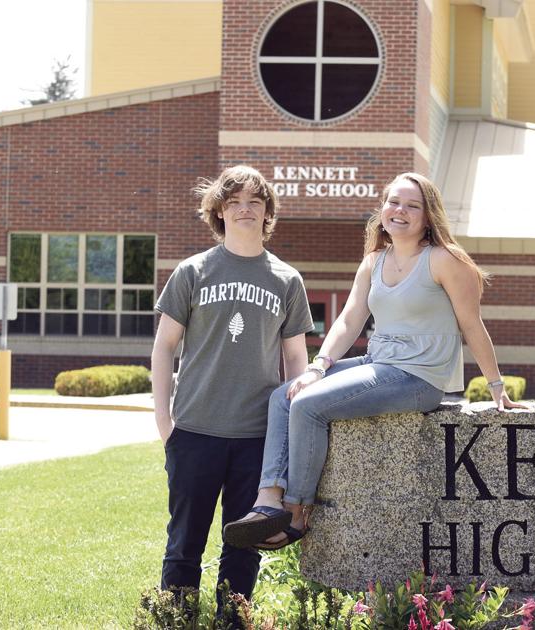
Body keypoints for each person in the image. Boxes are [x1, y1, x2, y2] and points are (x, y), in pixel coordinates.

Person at [222, 171, 525, 551]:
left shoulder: (444, 260)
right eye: (394, 202)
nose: (401, 211)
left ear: (428, 216)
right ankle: (268, 501)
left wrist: (496, 387)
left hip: (419, 378)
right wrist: (318, 367)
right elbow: (349, 320)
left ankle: (295, 513)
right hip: (379, 362)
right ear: (383, 209)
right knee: (285, 396)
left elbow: (472, 324)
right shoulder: (374, 262)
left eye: (412, 206)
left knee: (308, 405)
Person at [151, 165, 313, 614]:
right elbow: (164, 347)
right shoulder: (192, 271)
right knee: (184, 542)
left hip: (257, 436)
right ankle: (176, 620)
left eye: (254, 202)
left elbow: (296, 361)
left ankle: (232, 621)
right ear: (219, 211)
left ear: (267, 213)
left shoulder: (286, 279)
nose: (245, 209)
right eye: (235, 202)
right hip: (194, 430)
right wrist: (164, 421)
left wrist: (291, 430)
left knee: (244, 545)